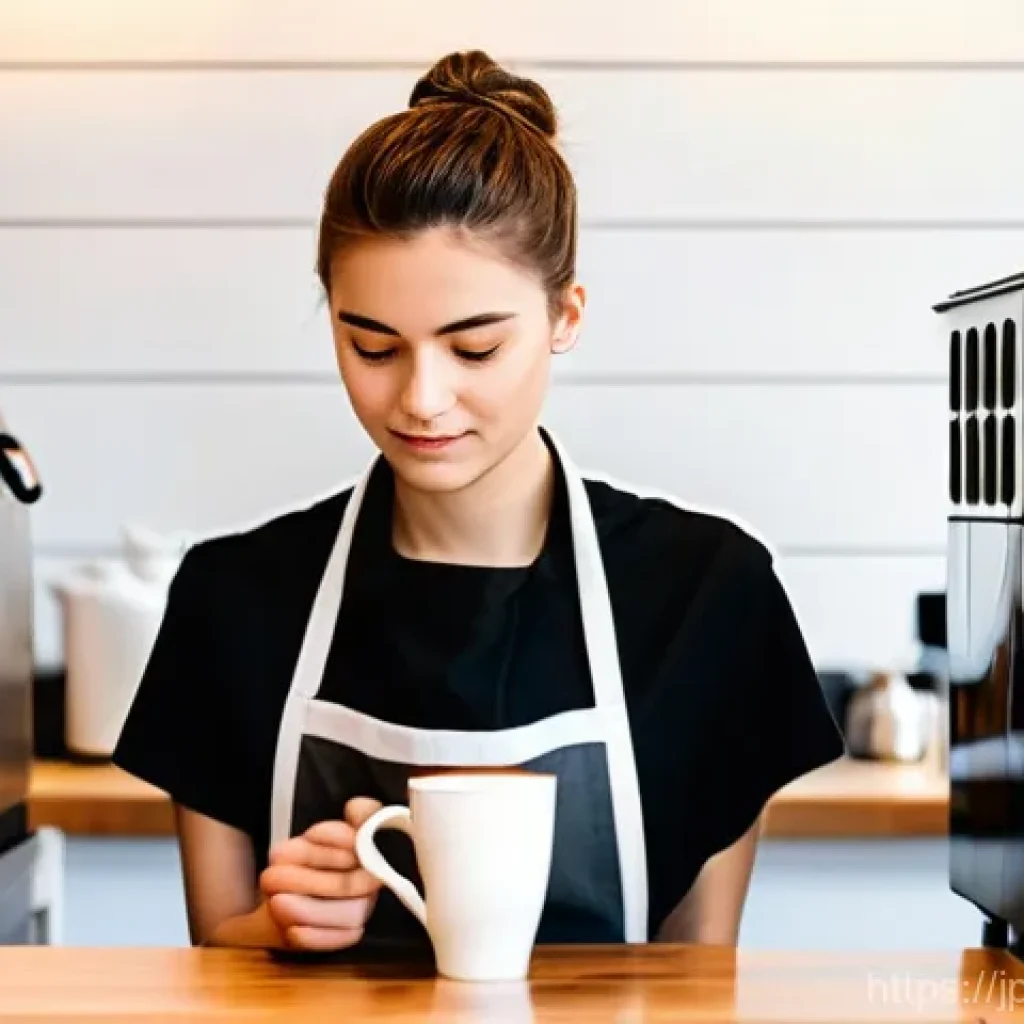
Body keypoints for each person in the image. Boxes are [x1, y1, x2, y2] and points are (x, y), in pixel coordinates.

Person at [112, 49, 845, 954]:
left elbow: (698, 979)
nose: (422, 399)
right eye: (372, 347)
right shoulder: (233, 600)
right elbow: (213, 963)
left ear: (565, 317)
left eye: (475, 349)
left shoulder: (707, 596)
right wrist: (274, 928)